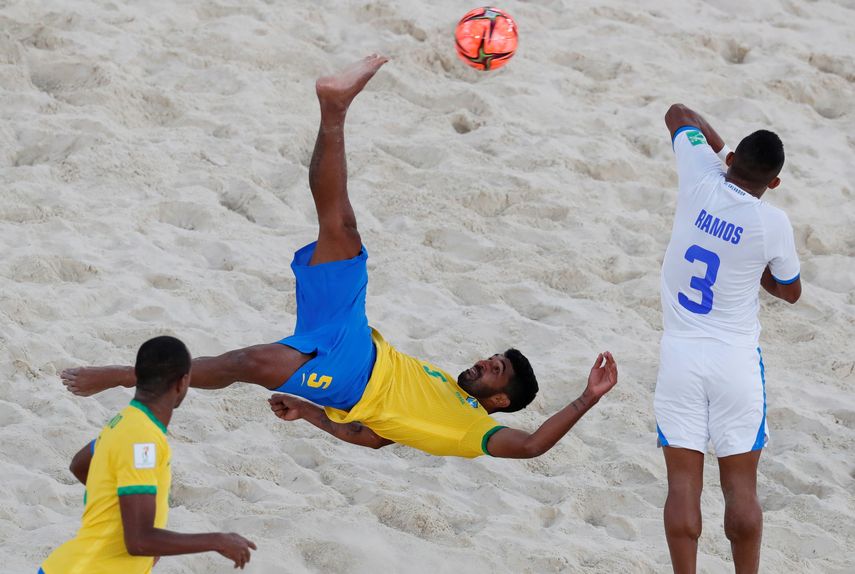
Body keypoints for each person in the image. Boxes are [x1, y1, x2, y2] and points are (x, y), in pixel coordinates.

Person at [60, 55, 618, 460]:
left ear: (500, 399)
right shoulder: (441, 389)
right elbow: (372, 438)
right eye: (491, 357)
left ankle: (123, 375)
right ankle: (335, 107)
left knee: (245, 364)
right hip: (354, 332)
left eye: (495, 370)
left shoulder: (473, 432)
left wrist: (587, 398)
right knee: (341, 226)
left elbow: (534, 445)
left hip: (349, 379)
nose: (483, 362)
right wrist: (313, 416)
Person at [656, 104, 802, 574]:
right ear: (773, 183)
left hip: (680, 355)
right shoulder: (772, 223)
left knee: (682, 487)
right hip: (735, 362)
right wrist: (755, 268)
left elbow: (678, 113)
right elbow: (791, 291)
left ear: (735, 157)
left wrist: (716, 151)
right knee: (741, 491)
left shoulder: (701, 173)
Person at [41, 336, 256, 573]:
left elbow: (79, 465)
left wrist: (118, 508)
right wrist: (217, 540)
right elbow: (139, 541)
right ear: (183, 382)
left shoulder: (124, 420)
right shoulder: (142, 441)